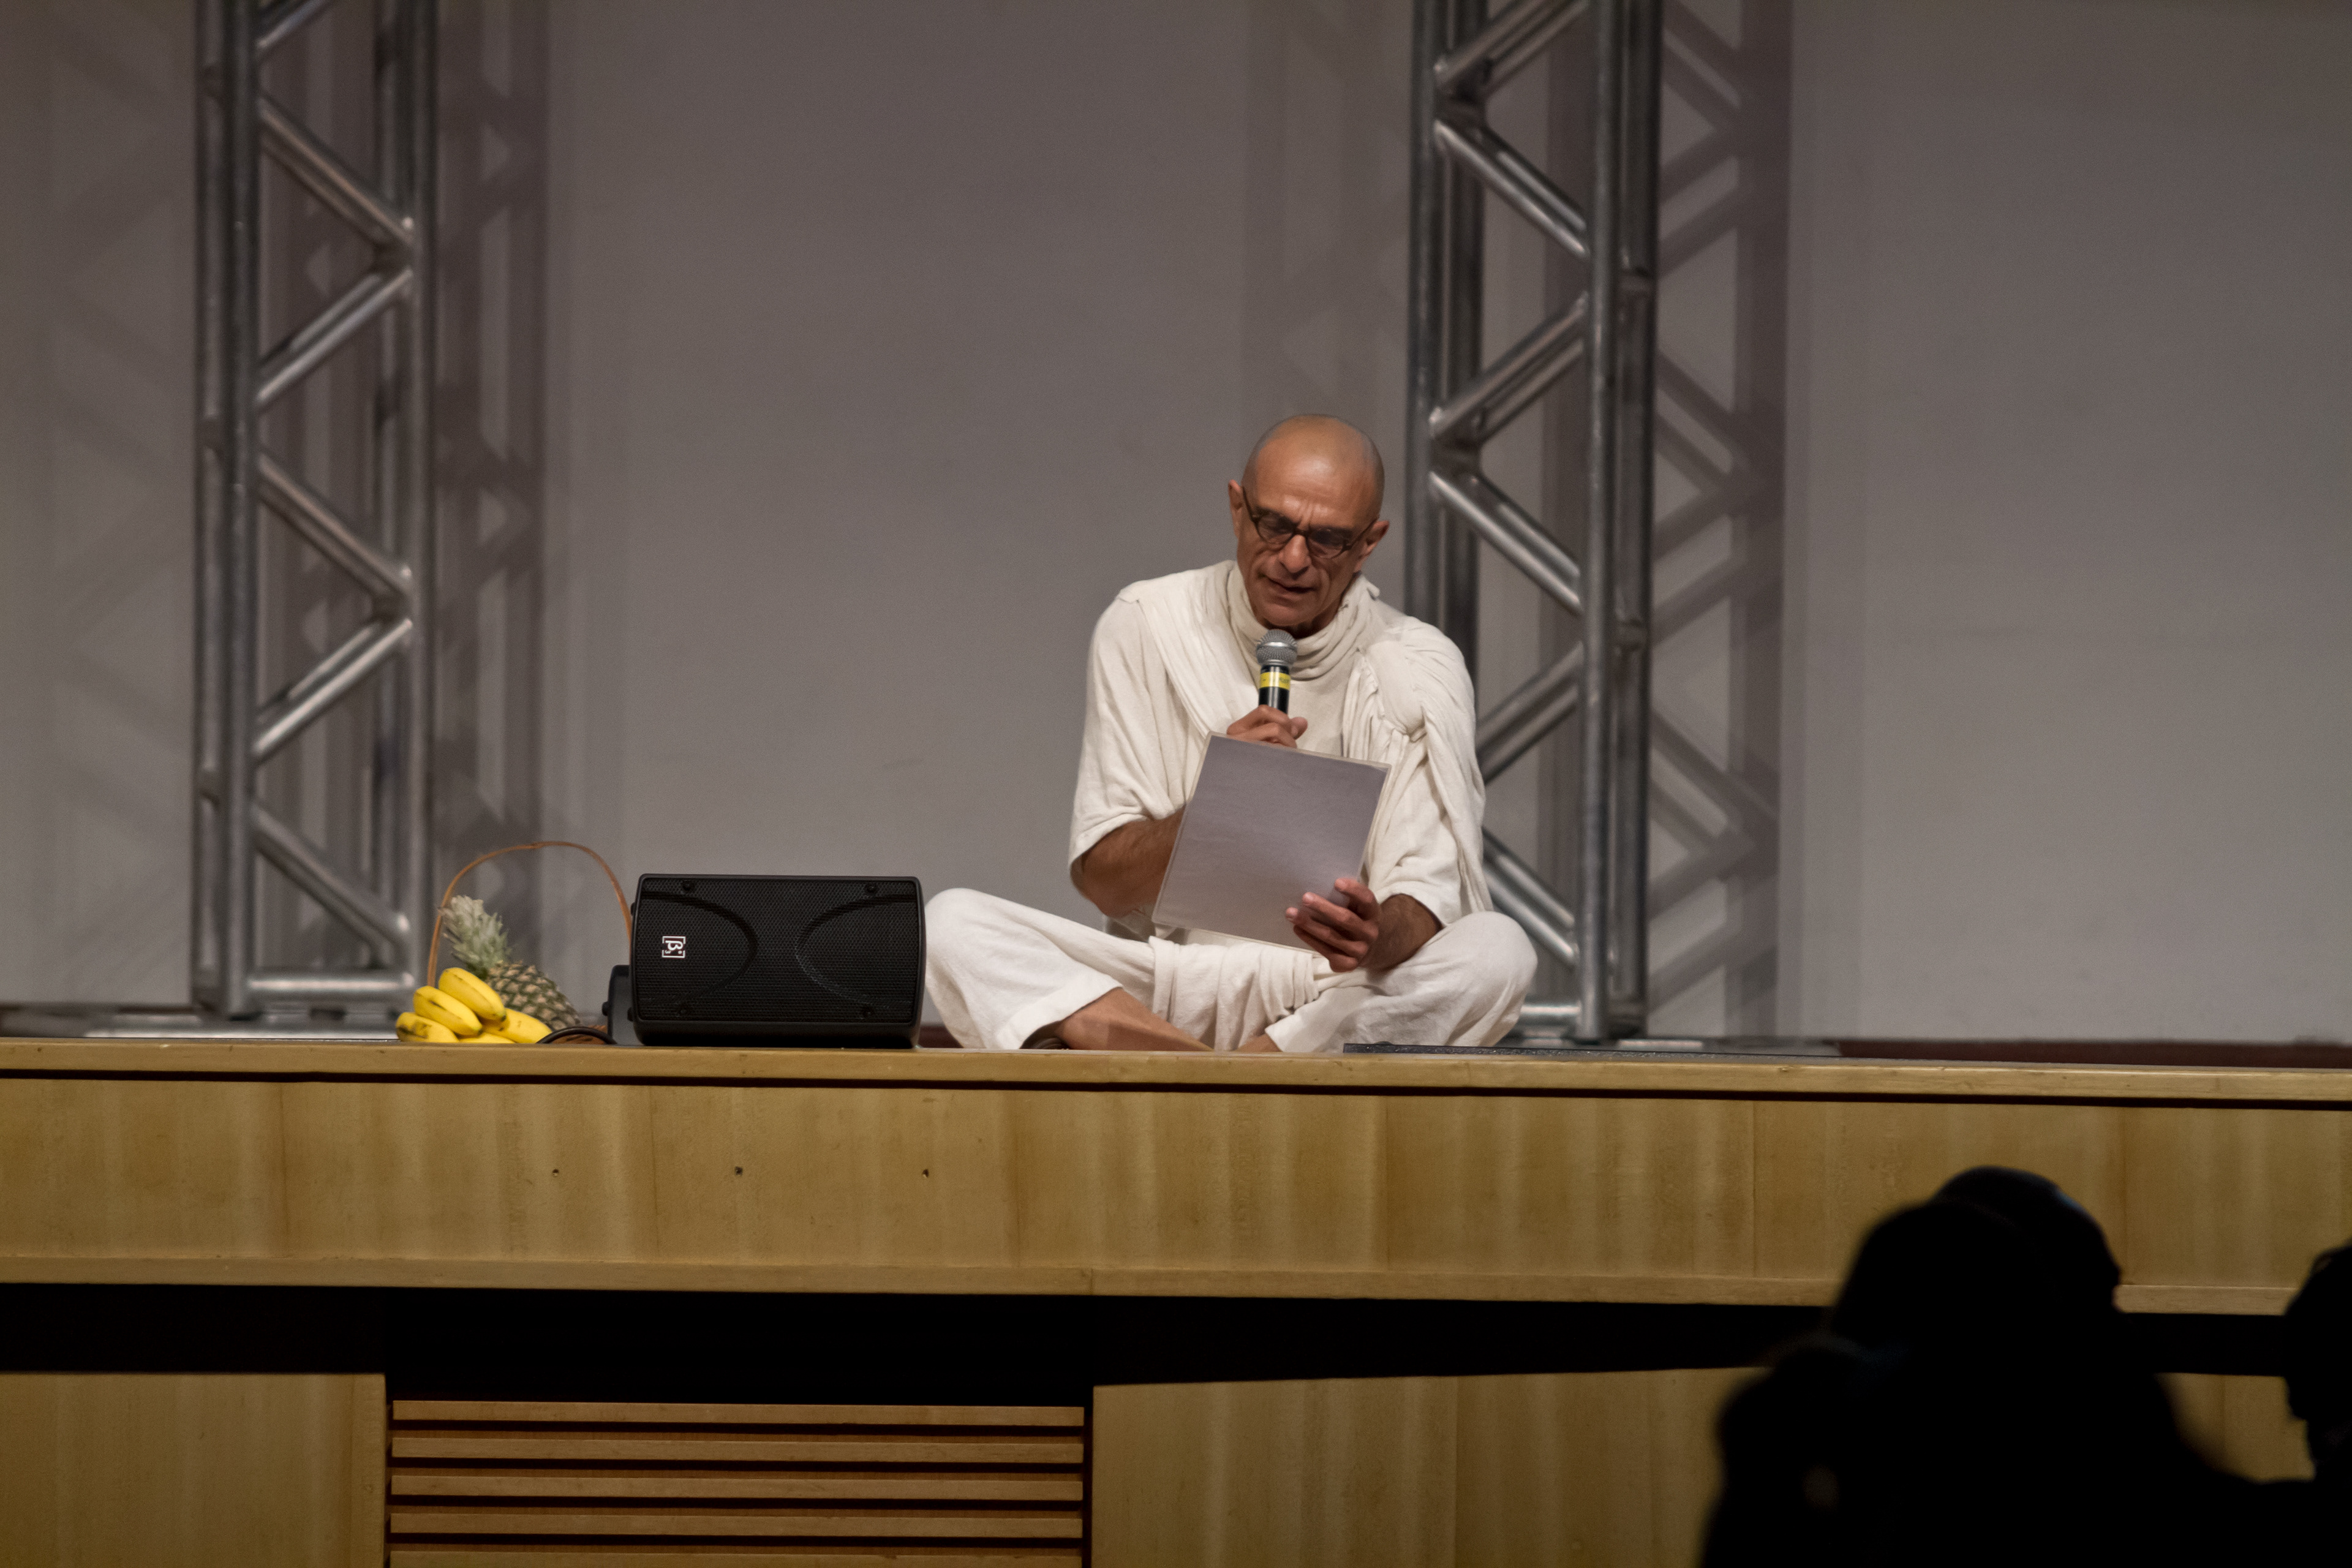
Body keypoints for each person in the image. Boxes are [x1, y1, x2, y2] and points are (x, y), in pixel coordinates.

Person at [925, 414, 1535, 1053]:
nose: (1294, 560)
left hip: (1330, 991)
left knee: (1500, 952)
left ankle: (1234, 1068)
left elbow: (1428, 898)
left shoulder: (1418, 664)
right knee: (952, 923)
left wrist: (1372, 935)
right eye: (1275, 526)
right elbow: (1104, 884)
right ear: (1238, 510)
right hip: (1167, 983)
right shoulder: (1147, 623)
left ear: (1368, 543)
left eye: (1327, 539)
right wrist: (1217, 804)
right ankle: (1224, 1072)